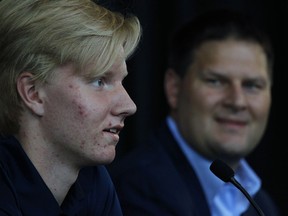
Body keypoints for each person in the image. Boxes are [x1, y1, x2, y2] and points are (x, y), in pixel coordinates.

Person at [109, 9, 281, 216]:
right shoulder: (137, 189)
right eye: (215, 81)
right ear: (174, 88)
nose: (237, 102)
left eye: (252, 85)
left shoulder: (261, 203)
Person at [0, 0, 141, 215]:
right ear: (33, 93)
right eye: (99, 81)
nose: (129, 106)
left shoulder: (93, 181)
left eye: (121, 82)